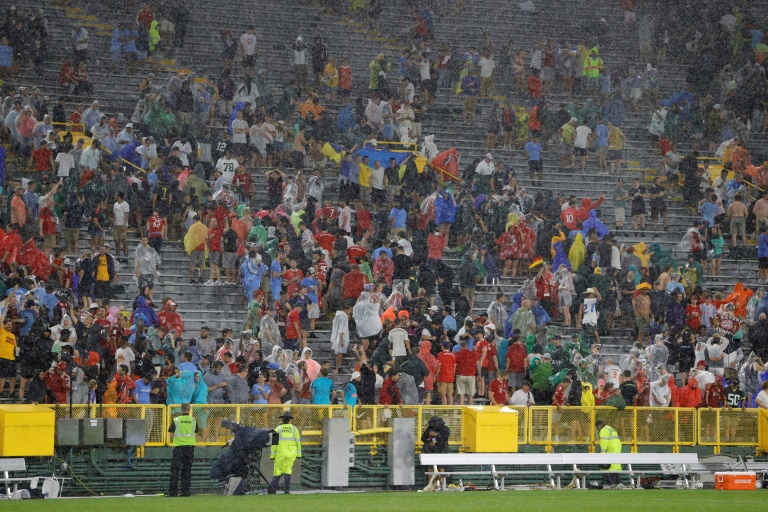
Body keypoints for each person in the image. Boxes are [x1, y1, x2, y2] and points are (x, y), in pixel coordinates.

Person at [167, 402, 197, 497]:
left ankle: (173, 492)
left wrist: (174, 440)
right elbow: (196, 432)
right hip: (190, 448)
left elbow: (171, 434)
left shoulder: (176, 420)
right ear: (189, 409)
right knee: (187, 470)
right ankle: (186, 491)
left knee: (175, 470)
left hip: (179, 448)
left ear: (181, 409)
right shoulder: (193, 420)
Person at [269, 410, 302, 494]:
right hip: (291, 454)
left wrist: (272, 455)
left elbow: (274, 444)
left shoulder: (277, 429)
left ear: (282, 420)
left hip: (280, 453)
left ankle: (273, 490)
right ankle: (287, 490)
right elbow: (298, 442)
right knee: (288, 470)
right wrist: (298, 454)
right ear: (290, 420)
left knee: (277, 471)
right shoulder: (295, 429)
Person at [595, 419, 622, 488]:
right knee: (615, 466)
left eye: (597, 427)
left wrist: (602, 452)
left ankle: (610, 483)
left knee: (608, 467)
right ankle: (618, 482)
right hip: (617, 447)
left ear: (599, 425)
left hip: (611, 448)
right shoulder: (610, 428)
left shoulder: (603, 430)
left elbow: (604, 441)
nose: (597, 429)